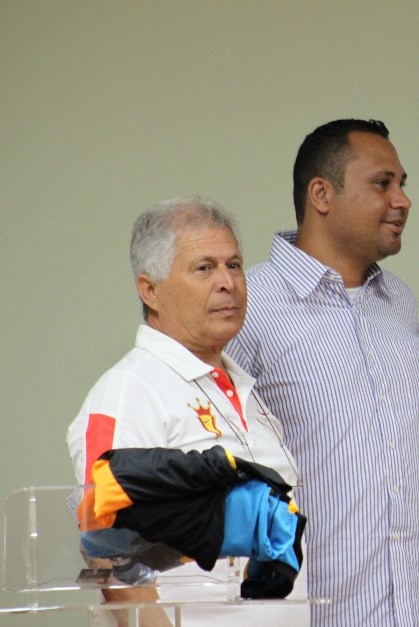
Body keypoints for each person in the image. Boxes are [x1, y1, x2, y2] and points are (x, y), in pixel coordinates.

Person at [225, 119, 419, 625]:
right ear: (322, 194)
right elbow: (207, 466)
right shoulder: (247, 305)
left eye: (403, 184)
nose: (402, 200)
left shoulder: (398, 302)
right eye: (383, 184)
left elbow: (410, 441)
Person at [67, 197, 309, 626]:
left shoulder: (243, 387)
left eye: (234, 265)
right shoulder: (129, 390)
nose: (228, 282)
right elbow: (111, 555)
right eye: (204, 268)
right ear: (150, 290)